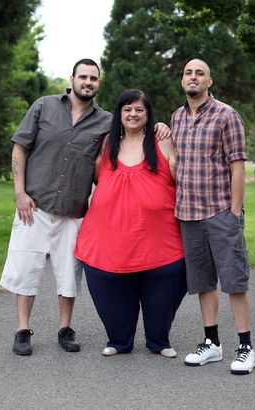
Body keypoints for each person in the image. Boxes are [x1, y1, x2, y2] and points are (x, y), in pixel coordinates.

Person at [0, 59, 170, 356]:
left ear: (98, 83)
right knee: (26, 270)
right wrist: (19, 192)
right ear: (72, 79)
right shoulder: (44, 106)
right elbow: (20, 147)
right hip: (34, 206)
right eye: (83, 77)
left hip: (73, 210)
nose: (88, 82)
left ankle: (65, 329)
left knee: (69, 275)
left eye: (93, 78)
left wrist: (158, 125)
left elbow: (131, 132)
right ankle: (23, 330)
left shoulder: (105, 121)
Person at [74, 89, 187, 358]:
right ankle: (119, 340)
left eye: (139, 109)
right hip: (107, 241)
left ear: (148, 114)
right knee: (107, 282)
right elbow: (97, 176)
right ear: (119, 114)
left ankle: (159, 340)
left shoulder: (163, 142)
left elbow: (180, 177)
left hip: (160, 242)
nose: (133, 114)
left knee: (164, 282)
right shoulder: (108, 143)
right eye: (127, 109)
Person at [170, 59, 255, 374]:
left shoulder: (226, 115)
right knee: (203, 282)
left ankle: (245, 347)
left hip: (220, 212)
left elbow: (237, 166)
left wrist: (234, 212)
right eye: (188, 73)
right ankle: (212, 343)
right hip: (189, 215)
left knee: (234, 281)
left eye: (200, 73)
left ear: (209, 81)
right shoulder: (177, 117)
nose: (193, 77)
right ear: (183, 80)